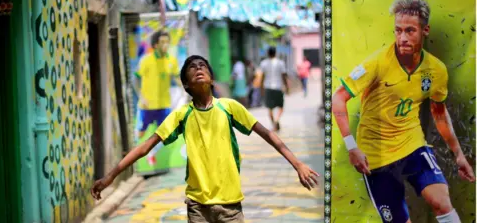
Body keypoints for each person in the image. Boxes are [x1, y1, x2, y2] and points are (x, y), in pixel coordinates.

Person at [91, 55, 319, 222]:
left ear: (211, 79)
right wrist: (110, 176)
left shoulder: (229, 107)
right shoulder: (182, 115)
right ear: (187, 84)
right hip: (197, 208)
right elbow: (144, 148)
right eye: (192, 67)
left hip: (230, 206)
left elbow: (269, 135)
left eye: (202, 66)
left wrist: (297, 164)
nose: (198, 68)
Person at [332, 0, 475, 223]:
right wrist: (352, 147)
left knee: (442, 202)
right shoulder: (377, 63)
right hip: (376, 157)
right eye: (398, 31)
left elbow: (438, 113)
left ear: (425, 30)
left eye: (410, 31)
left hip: (412, 146)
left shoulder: (436, 70)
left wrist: (458, 154)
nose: (402, 38)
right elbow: (338, 98)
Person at [133, 30, 181, 165]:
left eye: (167, 42)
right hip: (147, 106)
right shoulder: (146, 60)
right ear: (155, 45)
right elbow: (135, 79)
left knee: (166, 134)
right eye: (162, 42)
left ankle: (152, 154)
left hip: (164, 105)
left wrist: (187, 91)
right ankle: (134, 158)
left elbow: (177, 78)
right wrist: (141, 97)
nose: (166, 45)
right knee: (140, 134)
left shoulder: (172, 60)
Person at [260, 47, 289, 131]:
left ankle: (274, 124)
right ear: (275, 53)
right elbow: (284, 76)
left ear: (268, 53)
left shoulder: (263, 63)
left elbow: (262, 77)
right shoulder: (281, 63)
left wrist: (261, 89)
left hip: (268, 87)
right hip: (278, 87)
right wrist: (287, 87)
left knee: (270, 108)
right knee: (281, 107)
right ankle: (276, 120)